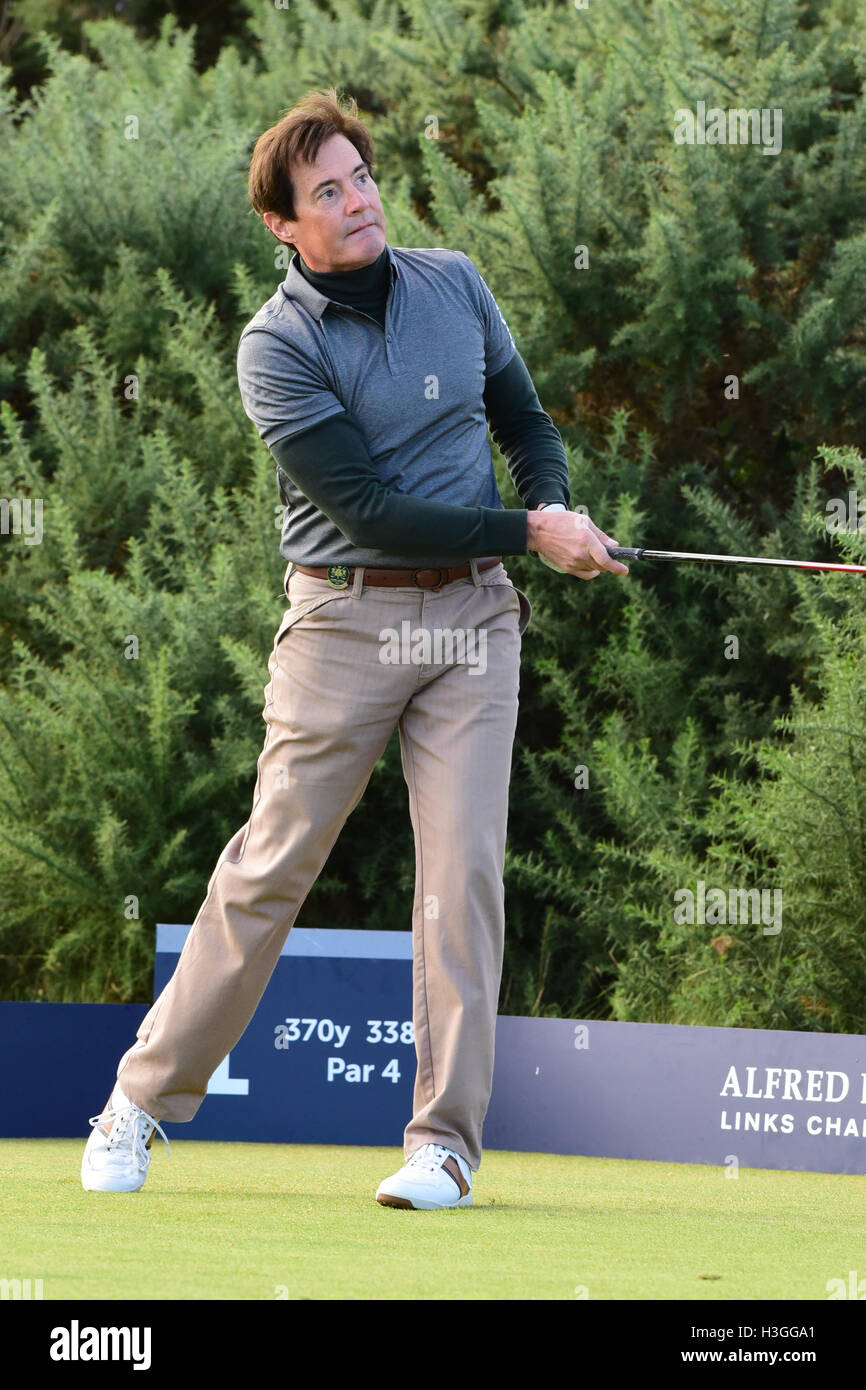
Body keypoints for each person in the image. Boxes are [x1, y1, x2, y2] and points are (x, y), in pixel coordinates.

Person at [80, 88, 628, 1210]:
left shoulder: (455, 281)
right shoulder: (273, 347)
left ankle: (444, 1145)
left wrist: (553, 507)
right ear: (283, 225)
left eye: (362, 176)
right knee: (272, 863)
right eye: (325, 191)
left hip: (472, 617)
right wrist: (532, 530)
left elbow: (523, 422)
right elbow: (371, 509)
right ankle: (136, 1103)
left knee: (463, 876)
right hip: (344, 618)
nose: (356, 200)